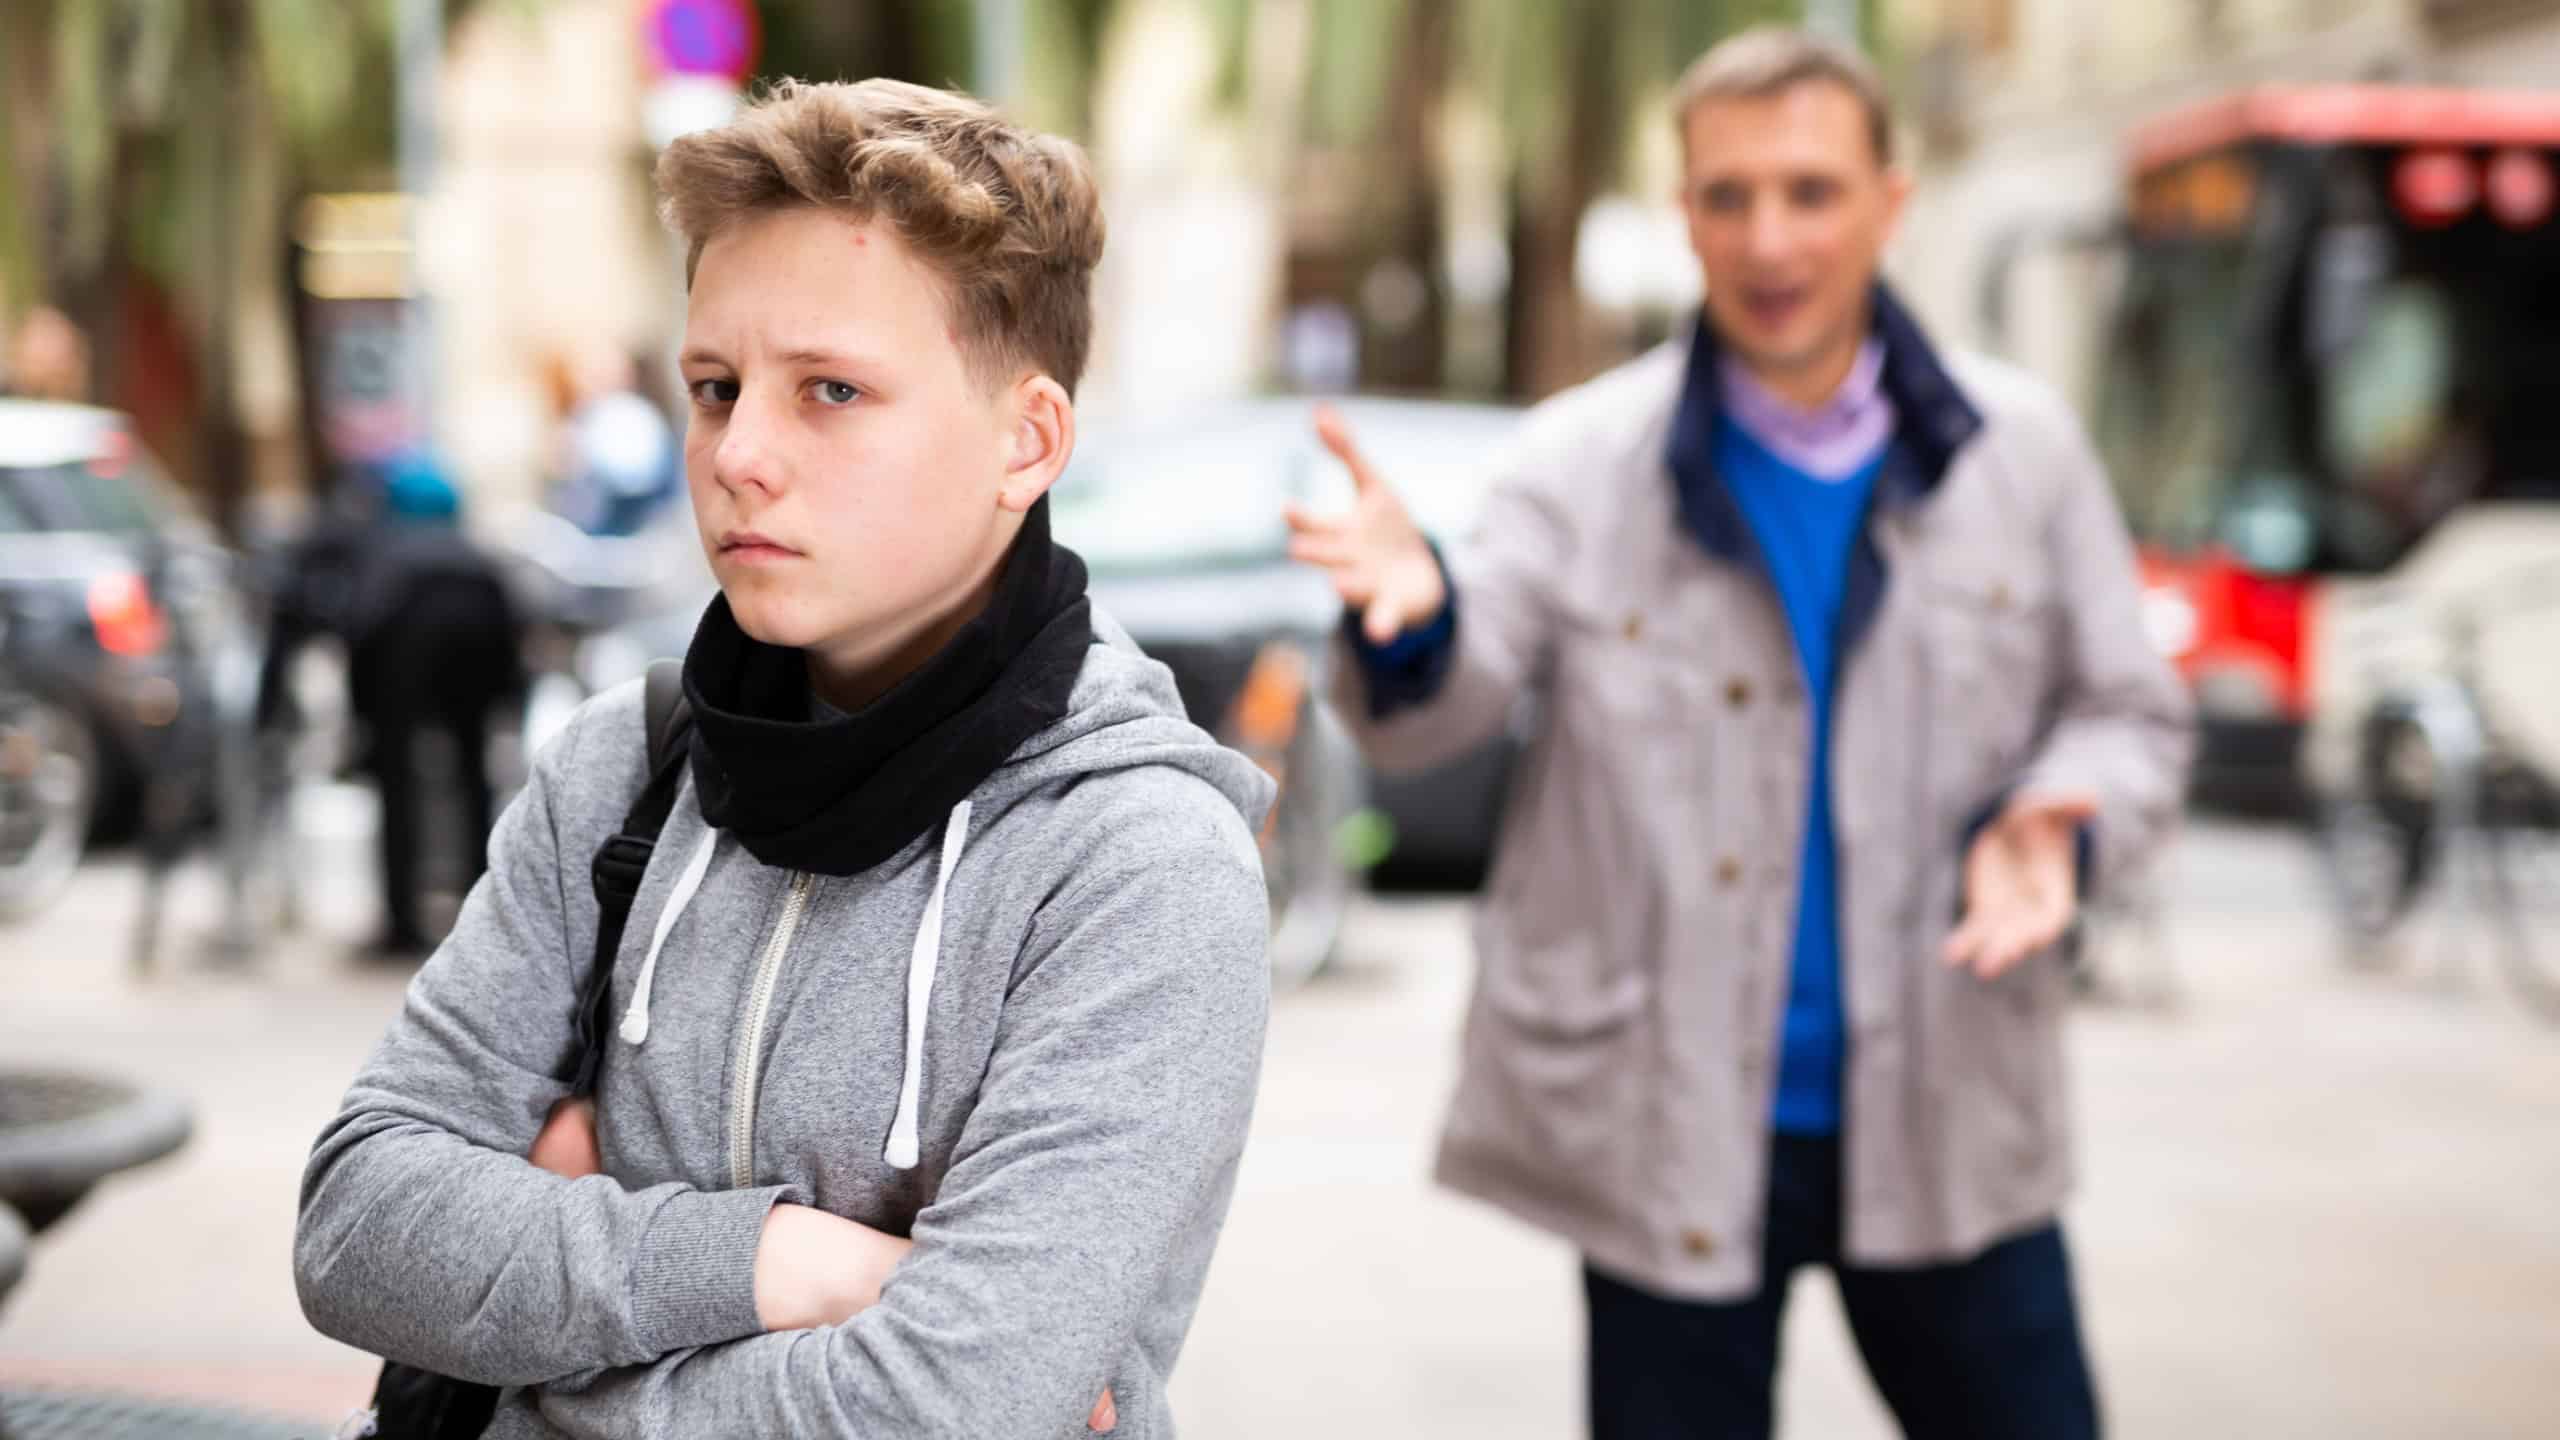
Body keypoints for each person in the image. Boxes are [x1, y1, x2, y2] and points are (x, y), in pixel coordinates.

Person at [294, 79, 1273, 1438]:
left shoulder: (1139, 865)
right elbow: (358, 1226)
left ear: (1027, 440)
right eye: (714, 386)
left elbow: (946, 1406)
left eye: (832, 389)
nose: (741, 453)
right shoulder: (623, 770)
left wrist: (547, 1326)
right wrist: (781, 1263)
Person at [1290, 26, 2193, 1440]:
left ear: (1890, 204)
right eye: (1729, 195)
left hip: (1953, 1104)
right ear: (1686, 209)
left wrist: (2060, 816)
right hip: (1674, 1121)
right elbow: (1434, 718)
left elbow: (2132, 713)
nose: (1770, 237)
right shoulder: (1577, 463)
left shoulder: (2025, 454)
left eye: (1811, 191)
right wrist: (1411, 621)